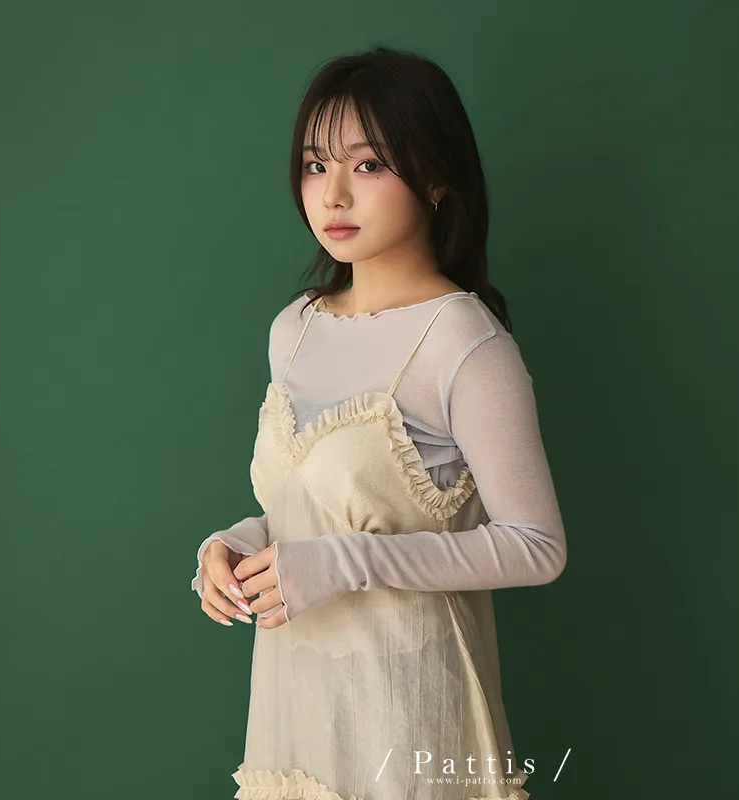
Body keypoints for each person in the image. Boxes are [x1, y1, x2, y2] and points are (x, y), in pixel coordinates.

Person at [190, 46, 567, 800]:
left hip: (412, 718)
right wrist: (238, 545)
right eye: (314, 165)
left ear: (436, 178)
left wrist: (346, 563)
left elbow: (537, 548)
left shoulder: (464, 342)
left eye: (367, 165)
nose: (332, 195)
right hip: (295, 713)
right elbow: (310, 510)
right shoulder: (294, 329)